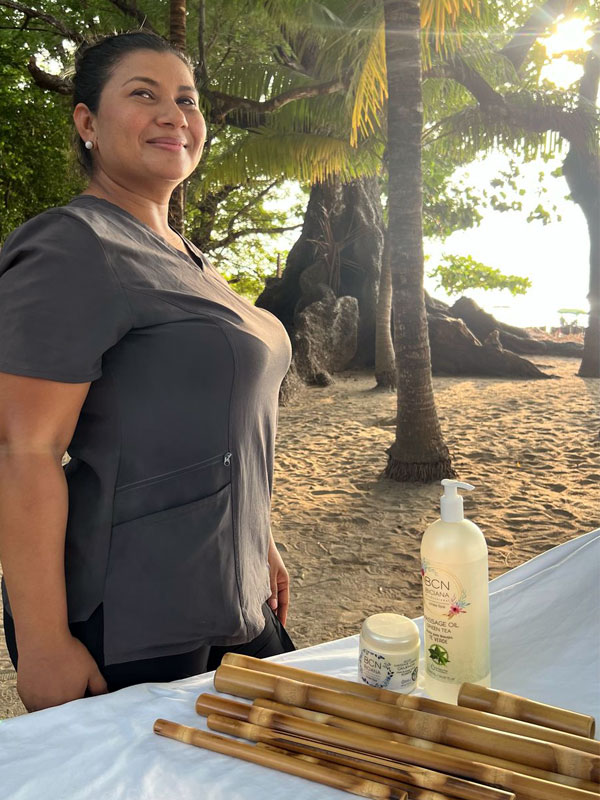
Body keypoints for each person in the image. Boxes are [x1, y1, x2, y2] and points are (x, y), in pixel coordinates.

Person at [0, 31, 294, 713]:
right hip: (136, 617)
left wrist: (259, 541)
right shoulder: (74, 245)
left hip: (233, 594)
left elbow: (211, 424)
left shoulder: (187, 258)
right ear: (87, 122)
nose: (174, 115)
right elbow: (23, 450)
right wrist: (43, 644)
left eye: (187, 100)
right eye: (144, 94)